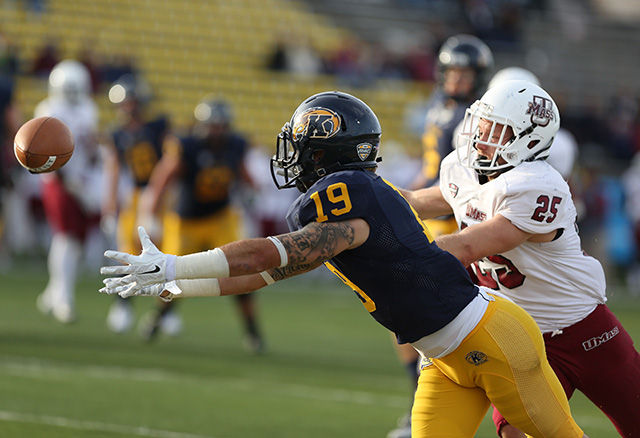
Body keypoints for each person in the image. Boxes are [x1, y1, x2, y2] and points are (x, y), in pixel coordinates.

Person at [100, 91, 589, 438]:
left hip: (493, 338)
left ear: (324, 150)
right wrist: (173, 287)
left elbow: (273, 253)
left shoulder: (351, 196)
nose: (292, 154)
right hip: (441, 357)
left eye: (301, 144)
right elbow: (266, 274)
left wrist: (176, 265)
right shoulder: (356, 197)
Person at [399, 80, 640, 438]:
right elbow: (417, 202)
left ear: (526, 137)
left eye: (493, 126)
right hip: (518, 337)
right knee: (513, 430)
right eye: (481, 122)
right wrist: (365, 197)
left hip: (584, 331)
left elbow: (467, 246)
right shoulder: (467, 171)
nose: (480, 133)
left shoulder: (536, 185)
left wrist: (395, 257)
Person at [392, 34, 494, 438]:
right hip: (431, 215)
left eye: (465, 73)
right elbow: (433, 167)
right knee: (405, 314)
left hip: (456, 222)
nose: (457, 80)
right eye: (452, 71)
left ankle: (440, 405)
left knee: (437, 318)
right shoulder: (438, 108)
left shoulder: (474, 116)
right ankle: (422, 400)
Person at [135, 96, 265, 351]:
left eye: (221, 125)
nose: (217, 130)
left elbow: (242, 172)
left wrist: (251, 191)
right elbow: (162, 180)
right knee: (176, 277)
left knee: (242, 271)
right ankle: (158, 317)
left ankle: (253, 332)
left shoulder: (235, 145)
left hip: (220, 218)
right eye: (213, 125)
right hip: (186, 221)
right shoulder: (188, 146)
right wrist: (150, 214)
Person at [102, 73, 169, 333]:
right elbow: (114, 170)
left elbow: (168, 164)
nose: (128, 108)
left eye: (131, 102)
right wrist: (110, 206)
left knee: (165, 253)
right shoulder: (117, 134)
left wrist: (159, 198)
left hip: (161, 196)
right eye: (124, 103)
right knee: (126, 254)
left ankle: (165, 309)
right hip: (136, 197)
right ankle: (122, 305)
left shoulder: (157, 127)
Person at [35, 59, 101, 323]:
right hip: (58, 180)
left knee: (74, 240)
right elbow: (44, 151)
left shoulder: (88, 108)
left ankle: (53, 293)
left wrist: (91, 174)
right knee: (67, 237)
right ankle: (62, 296)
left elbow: (91, 146)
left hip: (82, 179)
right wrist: (68, 181)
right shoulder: (49, 108)